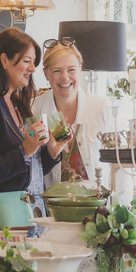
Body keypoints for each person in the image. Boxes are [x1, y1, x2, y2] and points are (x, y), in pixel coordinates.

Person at [0, 28, 68, 222]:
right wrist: (25, 150)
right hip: (3, 220)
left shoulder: (18, 103)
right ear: (4, 60)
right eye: (26, 61)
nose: (33, 69)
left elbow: (28, 172)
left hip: (30, 215)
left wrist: (52, 153)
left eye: (34, 62)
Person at [32, 37, 112, 187]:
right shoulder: (34, 110)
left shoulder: (101, 108)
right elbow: (31, 171)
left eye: (71, 70)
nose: (64, 77)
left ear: (80, 70)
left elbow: (118, 167)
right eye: (57, 70)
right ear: (46, 74)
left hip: (99, 206)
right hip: (52, 208)